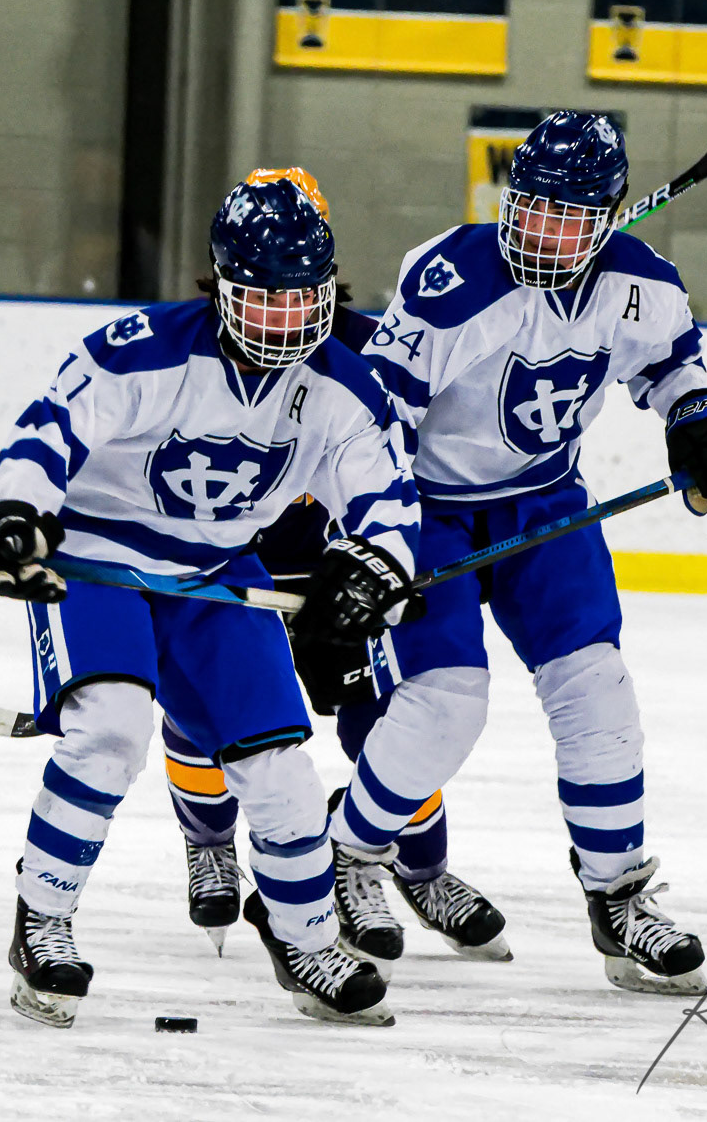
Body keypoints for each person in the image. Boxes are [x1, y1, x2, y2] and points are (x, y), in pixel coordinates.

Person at [318, 110, 707, 995]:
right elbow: (377, 416)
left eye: (566, 216)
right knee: (447, 705)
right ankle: (350, 854)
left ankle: (618, 894)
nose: (539, 231)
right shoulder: (450, 279)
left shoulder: (643, 283)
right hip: (429, 508)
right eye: (530, 206)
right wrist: (367, 538)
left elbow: (671, 367)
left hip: (546, 506)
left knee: (597, 687)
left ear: (604, 220)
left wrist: (701, 417)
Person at [0, 179, 420, 1026]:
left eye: (304, 298)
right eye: (266, 298)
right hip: (102, 560)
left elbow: (386, 501)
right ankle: (44, 919)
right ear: (222, 286)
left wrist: (373, 567)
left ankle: (304, 938)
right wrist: (18, 513)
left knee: (282, 769)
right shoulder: (145, 349)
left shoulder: (344, 388)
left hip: (219, 571)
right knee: (110, 731)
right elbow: (48, 428)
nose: (286, 320)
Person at [162, 166, 510, 967]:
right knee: (204, 712)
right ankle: (209, 842)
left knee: (383, 721)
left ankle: (417, 868)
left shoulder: (370, 347)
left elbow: (421, 435)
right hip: (232, 570)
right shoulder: (192, 347)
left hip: (338, 575)